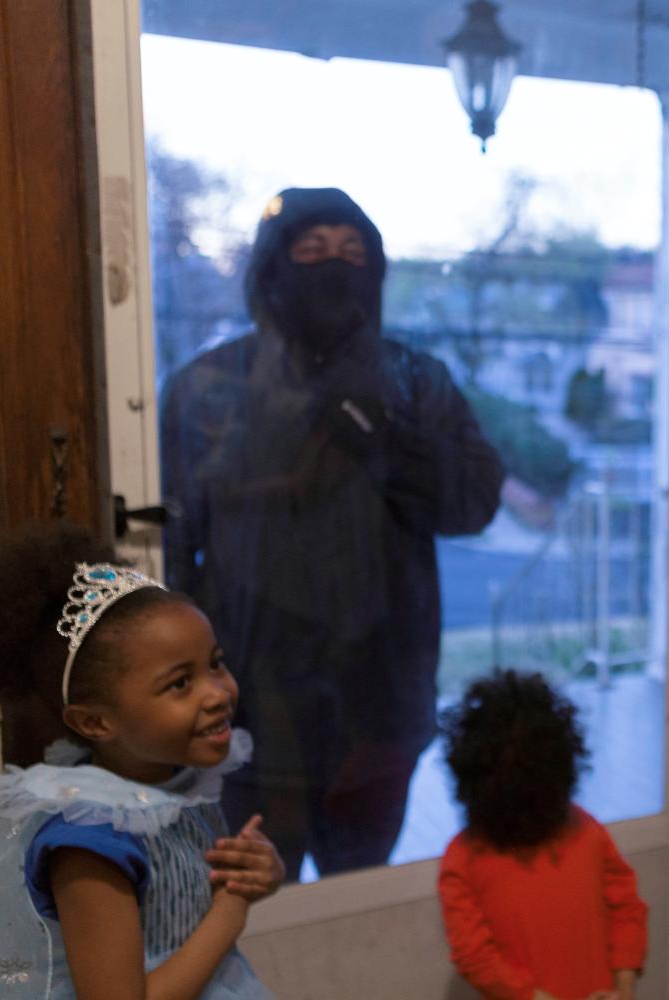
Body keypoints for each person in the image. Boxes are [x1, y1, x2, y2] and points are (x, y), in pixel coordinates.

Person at [159, 187, 505, 879]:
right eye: (310, 251)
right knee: (254, 898)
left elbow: (473, 504)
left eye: (352, 253)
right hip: (248, 706)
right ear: (271, 268)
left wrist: (391, 436)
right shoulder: (208, 388)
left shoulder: (415, 381)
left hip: (381, 707)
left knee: (361, 892)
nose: (333, 267)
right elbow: (170, 548)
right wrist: (190, 681)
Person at [0, 523, 282, 998]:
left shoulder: (173, 780)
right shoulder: (90, 838)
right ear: (95, 723)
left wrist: (258, 871)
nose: (218, 693)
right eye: (179, 683)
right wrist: (231, 910)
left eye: (214, 663)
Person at [437, 670, 647, 1000]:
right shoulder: (462, 860)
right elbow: (474, 956)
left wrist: (623, 989)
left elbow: (626, 909)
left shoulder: (586, 832)